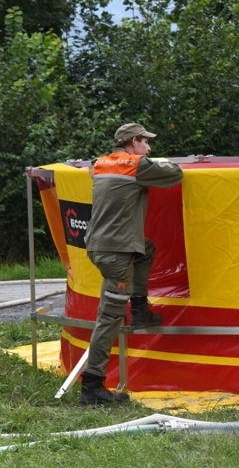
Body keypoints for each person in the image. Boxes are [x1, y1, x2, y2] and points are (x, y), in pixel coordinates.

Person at [79, 123, 184, 406]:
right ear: (134, 141)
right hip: (116, 253)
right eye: (146, 142)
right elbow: (175, 173)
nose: (149, 149)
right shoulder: (137, 165)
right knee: (109, 318)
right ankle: (92, 387)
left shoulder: (100, 164)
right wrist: (159, 161)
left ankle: (139, 308)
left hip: (100, 245)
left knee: (145, 248)